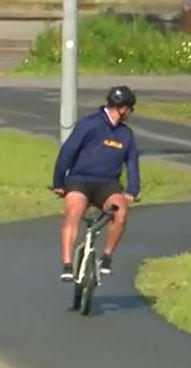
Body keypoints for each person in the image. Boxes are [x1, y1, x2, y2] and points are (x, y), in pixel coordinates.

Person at [51, 86, 141, 282]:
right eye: (130, 110)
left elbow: (132, 163)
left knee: (120, 212)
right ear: (123, 109)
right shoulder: (89, 125)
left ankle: (107, 257)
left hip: (107, 184)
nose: (130, 114)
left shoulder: (126, 135)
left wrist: (132, 191)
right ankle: (67, 265)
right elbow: (67, 152)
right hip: (80, 180)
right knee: (73, 213)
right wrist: (59, 182)